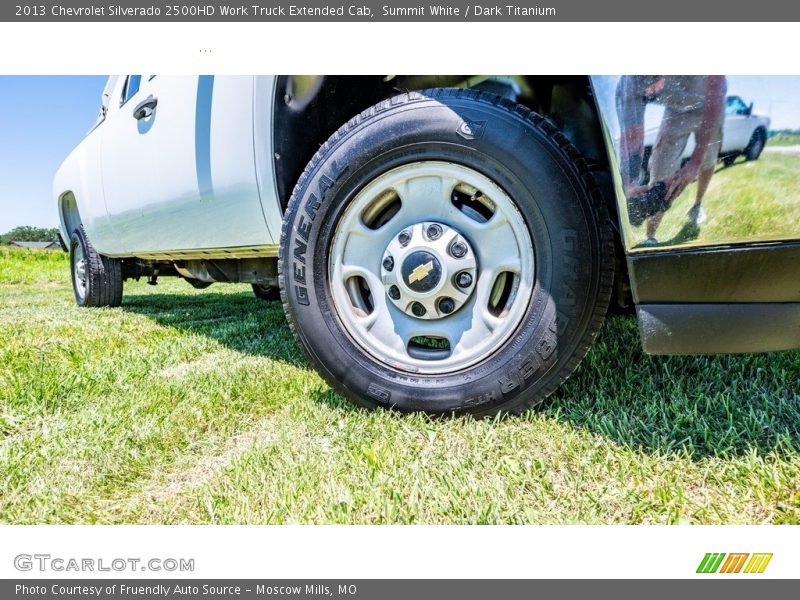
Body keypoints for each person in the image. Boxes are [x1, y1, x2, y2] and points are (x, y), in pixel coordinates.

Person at [616, 76, 726, 244]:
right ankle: (650, 237)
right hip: (676, 109)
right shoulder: (631, 82)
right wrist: (629, 184)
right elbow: (631, 135)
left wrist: (694, 163)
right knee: (661, 168)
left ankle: (697, 204)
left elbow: (716, 89)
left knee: (708, 159)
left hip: (710, 104)